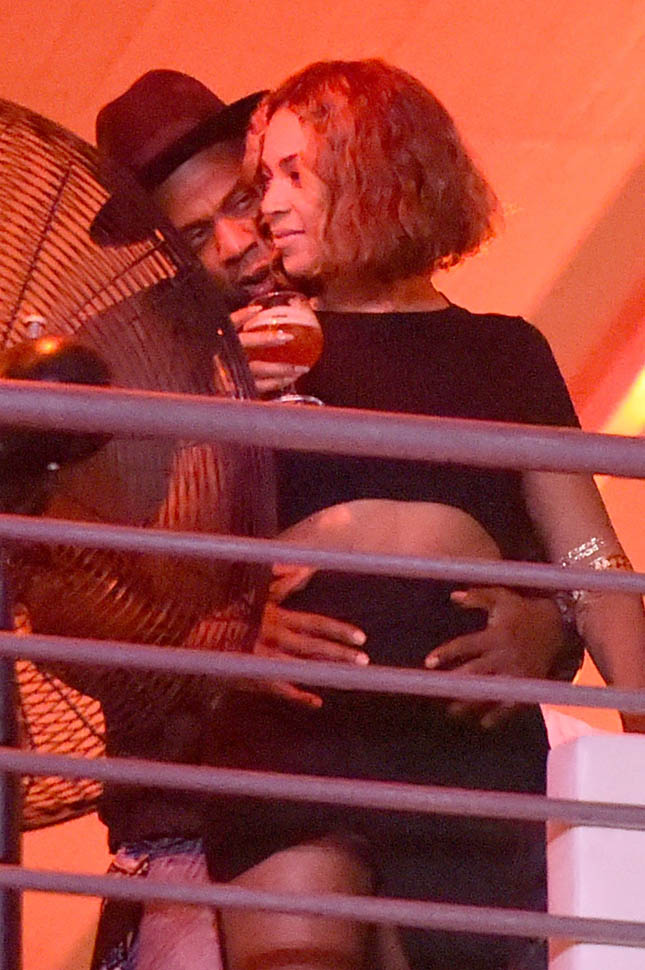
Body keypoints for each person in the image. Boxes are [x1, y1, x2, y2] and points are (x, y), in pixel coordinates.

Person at [84, 69, 584, 970]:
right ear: (164, 257)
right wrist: (219, 625)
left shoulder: (454, 344)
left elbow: (562, 549)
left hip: (449, 764)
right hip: (210, 803)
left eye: (250, 197)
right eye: (196, 235)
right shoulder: (140, 371)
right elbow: (78, 586)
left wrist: (548, 627)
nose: (241, 240)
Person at [196, 59, 645, 970]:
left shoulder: (502, 351)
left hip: (462, 748)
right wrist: (229, 623)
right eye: (262, 179)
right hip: (295, 736)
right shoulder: (240, 348)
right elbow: (150, 556)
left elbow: (591, 562)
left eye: (294, 174)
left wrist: (596, 678)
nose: (268, 207)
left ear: (380, 170)